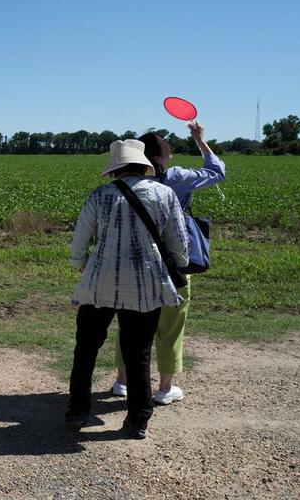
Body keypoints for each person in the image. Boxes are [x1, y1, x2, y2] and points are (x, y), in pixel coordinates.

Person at [66, 139, 188, 439]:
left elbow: (80, 239)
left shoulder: (100, 195)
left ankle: (78, 410)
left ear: (116, 168)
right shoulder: (165, 194)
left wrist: (79, 263)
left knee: (86, 347)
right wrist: (180, 264)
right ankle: (138, 419)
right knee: (139, 352)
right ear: (143, 164)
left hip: (99, 282)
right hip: (145, 283)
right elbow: (179, 243)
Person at [112, 124, 227, 405]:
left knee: (130, 323)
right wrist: (200, 141)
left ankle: (122, 381)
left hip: (136, 260)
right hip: (174, 261)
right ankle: (165, 388)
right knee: (172, 324)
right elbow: (217, 172)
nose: (171, 146)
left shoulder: (126, 181)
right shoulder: (176, 178)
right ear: (157, 154)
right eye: (166, 144)